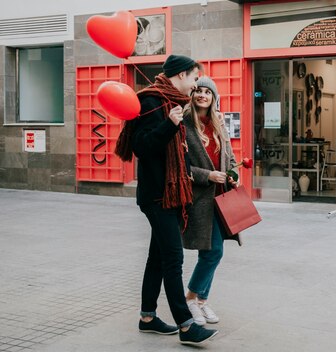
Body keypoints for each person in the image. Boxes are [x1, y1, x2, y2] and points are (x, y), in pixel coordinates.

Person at [114, 54, 218, 345]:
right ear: (181, 75)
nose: (196, 85)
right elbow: (142, 147)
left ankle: (147, 317)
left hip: (169, 193)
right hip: (157, 195)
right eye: (194, 78)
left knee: (158, 257)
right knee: (173, 258)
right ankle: (186, 325)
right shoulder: (151, 101)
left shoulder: (173, 102)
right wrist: (169, 125)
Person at [182, 76, 239, 325]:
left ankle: (200, 301)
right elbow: (179, 167)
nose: (202, 95)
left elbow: (231, 157)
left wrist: (233, 174)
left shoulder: (219, 125)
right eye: (199, 91)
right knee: (212, 252)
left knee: (214, 252)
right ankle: (191, 299)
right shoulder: (184, 125)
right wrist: (207, 175)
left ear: (214, 97)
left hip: (221, 197)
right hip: (199, 199)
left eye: (208, 92)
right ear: (192, 95)